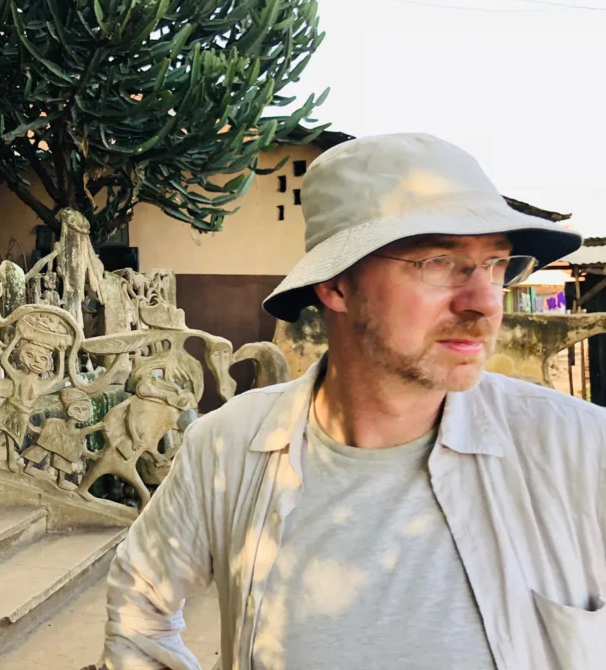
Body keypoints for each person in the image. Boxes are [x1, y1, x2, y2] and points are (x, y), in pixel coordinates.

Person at [101, 133, 603, 670]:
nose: (484, 302)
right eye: (436, 261)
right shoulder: (226, 449)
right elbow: (139, 606)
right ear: (337, 286)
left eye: (498, 264)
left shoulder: (582, 452)